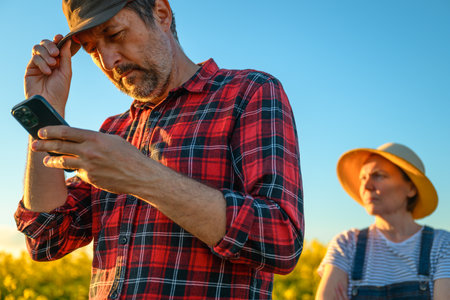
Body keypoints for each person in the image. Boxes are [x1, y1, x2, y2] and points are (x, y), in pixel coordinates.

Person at [14, 0, 304, 299]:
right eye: (92, 49)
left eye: (115, 34)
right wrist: (43, 110)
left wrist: (141, 176)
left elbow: (281, 241)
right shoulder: (113, 132)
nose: (109, 61)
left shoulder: (249, 92)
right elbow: (46, 239)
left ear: (161, 14)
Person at [315, 143, 450, 299]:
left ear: (411, 188)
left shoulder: (442, 245)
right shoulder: (346, 244)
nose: (366, 186)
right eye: (363, 178)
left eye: (378, 175)